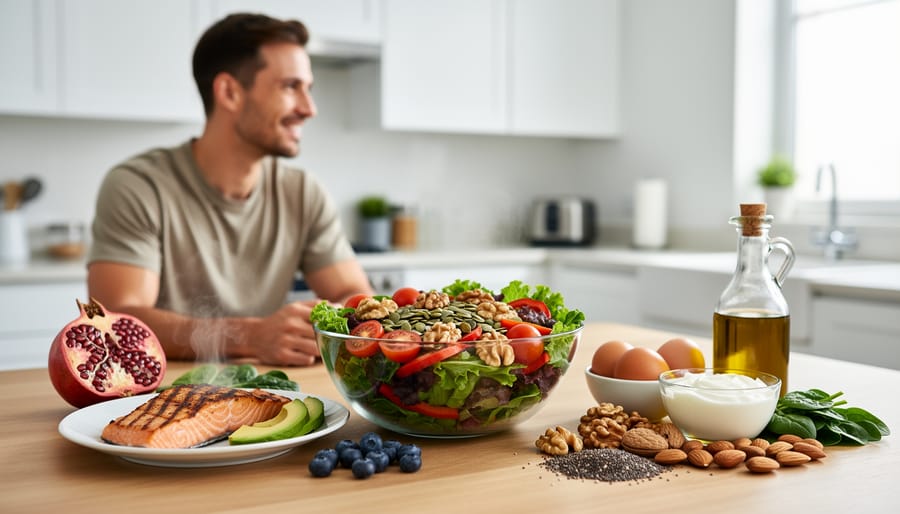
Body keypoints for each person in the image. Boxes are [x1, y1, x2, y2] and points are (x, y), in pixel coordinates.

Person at [86, 13, 374, 367]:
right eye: (290, 87)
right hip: (160, 394)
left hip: (272, 388)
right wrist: (251, 335)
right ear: (229, 92)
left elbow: (355, 295)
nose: (309, 109)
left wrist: (329, 316)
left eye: (308, 89)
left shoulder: (303, 192)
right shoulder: (138, 186)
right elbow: (116, 320)